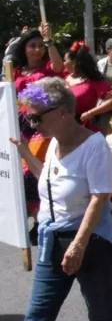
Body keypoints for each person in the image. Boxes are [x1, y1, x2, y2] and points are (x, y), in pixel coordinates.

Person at [11, 78, 112, 321]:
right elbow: (48, 179)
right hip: (52, 242)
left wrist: (78, 245)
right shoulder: (55, 141)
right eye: (30, 118)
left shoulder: (94, 146)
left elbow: (100, 198)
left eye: (37, 117)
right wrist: (24, 152)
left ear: (63, 112)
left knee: (104, 320)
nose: (33, 124)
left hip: (90, 245)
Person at [11, 24, 65, 220]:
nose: (38, 50)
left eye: (41, 46)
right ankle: (36, 217)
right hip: (20, 124)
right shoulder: (16, 71)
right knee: (23, 173)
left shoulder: (48, 68)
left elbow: (59, 66)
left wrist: (49, 40)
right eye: (32, 45)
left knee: (33, 169)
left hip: (41, 125)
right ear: (24, 48)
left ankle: (44, 215)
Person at [62, 42, 112, 134]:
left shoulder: (93, 80)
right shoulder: (65, 77)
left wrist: (90, 113)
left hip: (85, 128)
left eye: (65, 60)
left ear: (74, 62)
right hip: (64, 126)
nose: (63, 63)